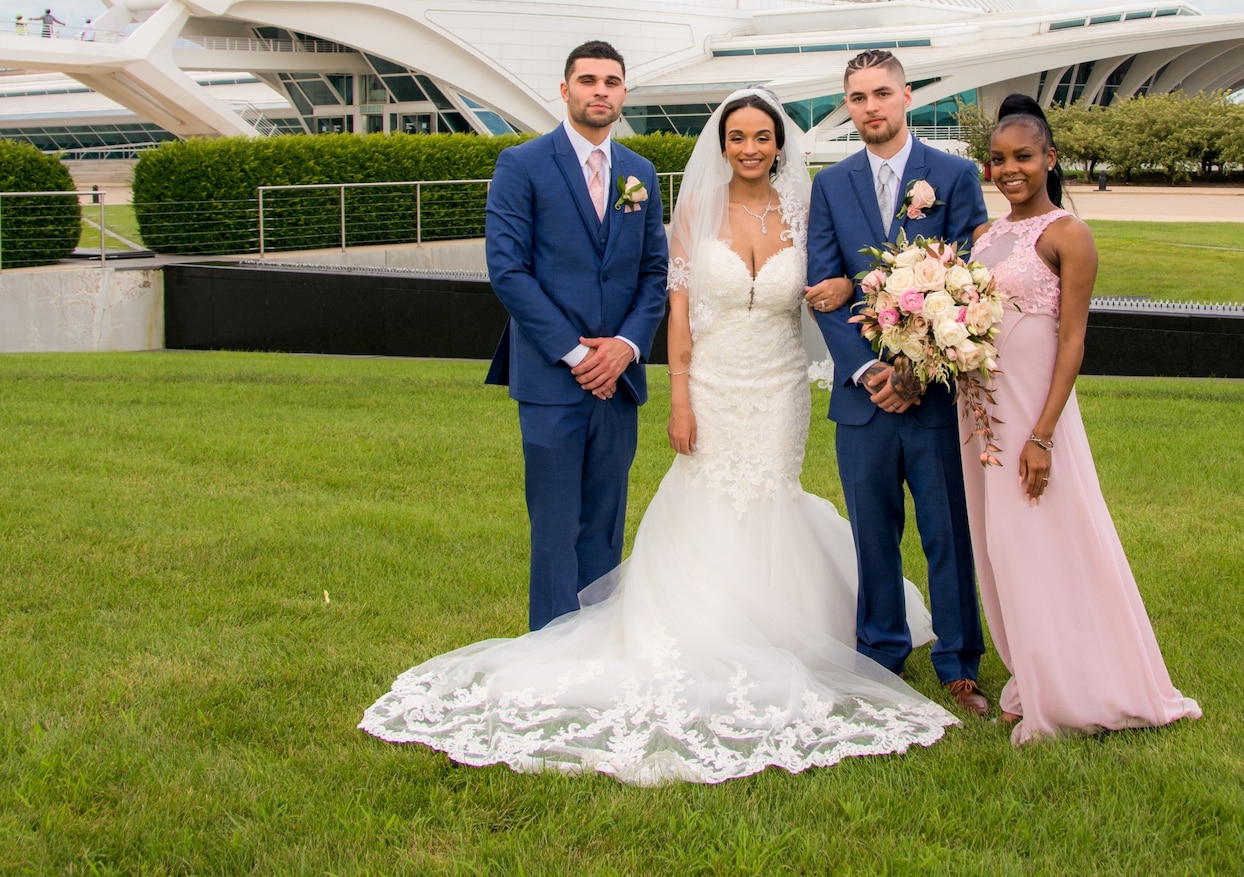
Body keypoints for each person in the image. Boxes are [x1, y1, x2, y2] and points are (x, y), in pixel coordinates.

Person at [362, 86, 956, 783]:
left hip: (779, 384)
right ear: (722, 142)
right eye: (738, 136)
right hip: (711, 381)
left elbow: (836, 282)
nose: (750, 148)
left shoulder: (804, 208)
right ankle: (699, 633)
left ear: (780, 144)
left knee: (773, 494)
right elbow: (677, 308)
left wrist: (831, 294)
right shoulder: (696, 208)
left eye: (763, 136)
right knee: (707, 497)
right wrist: (679, 394)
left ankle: (781, 628)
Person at [965, 94, 1202, 743]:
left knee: (1049, 537)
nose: (1009, 169)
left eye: (1022, 157)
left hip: (1033, 416)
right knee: (1003, 546)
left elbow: (1071, 341)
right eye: (998, 159)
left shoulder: (1068, 233)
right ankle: (1033, 668)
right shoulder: (985, 236)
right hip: (979, 413)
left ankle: (1079, 680)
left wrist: (1042, 434)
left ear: (1050, 158)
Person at [805, 50, 991, 716]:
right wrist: (869, 369)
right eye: (857, 97)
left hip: (935, 396)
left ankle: (959, 663)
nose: (870, 107)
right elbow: (824, 292)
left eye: (882, 93)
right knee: (872, 534)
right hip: (862, 400)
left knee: (949, 532)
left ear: (907, 95)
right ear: (847, 105)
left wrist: (917, 368)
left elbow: (972, 283)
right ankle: (882, 655)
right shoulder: (830, 185)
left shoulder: (953, 175)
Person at [479, 40, 667, 629]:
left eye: (611, 82)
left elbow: (654, 272)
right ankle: (549, 651)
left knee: (605, 522)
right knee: (556, 525)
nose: (600, 91)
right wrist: (574, 353)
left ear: (624, 94)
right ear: (565, 90)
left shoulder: (639, 173)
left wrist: (626, 348)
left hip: (620, 378)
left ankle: (598, 645)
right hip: (551, 379)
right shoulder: (522, 164)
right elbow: (508, 269)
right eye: (588, 81)